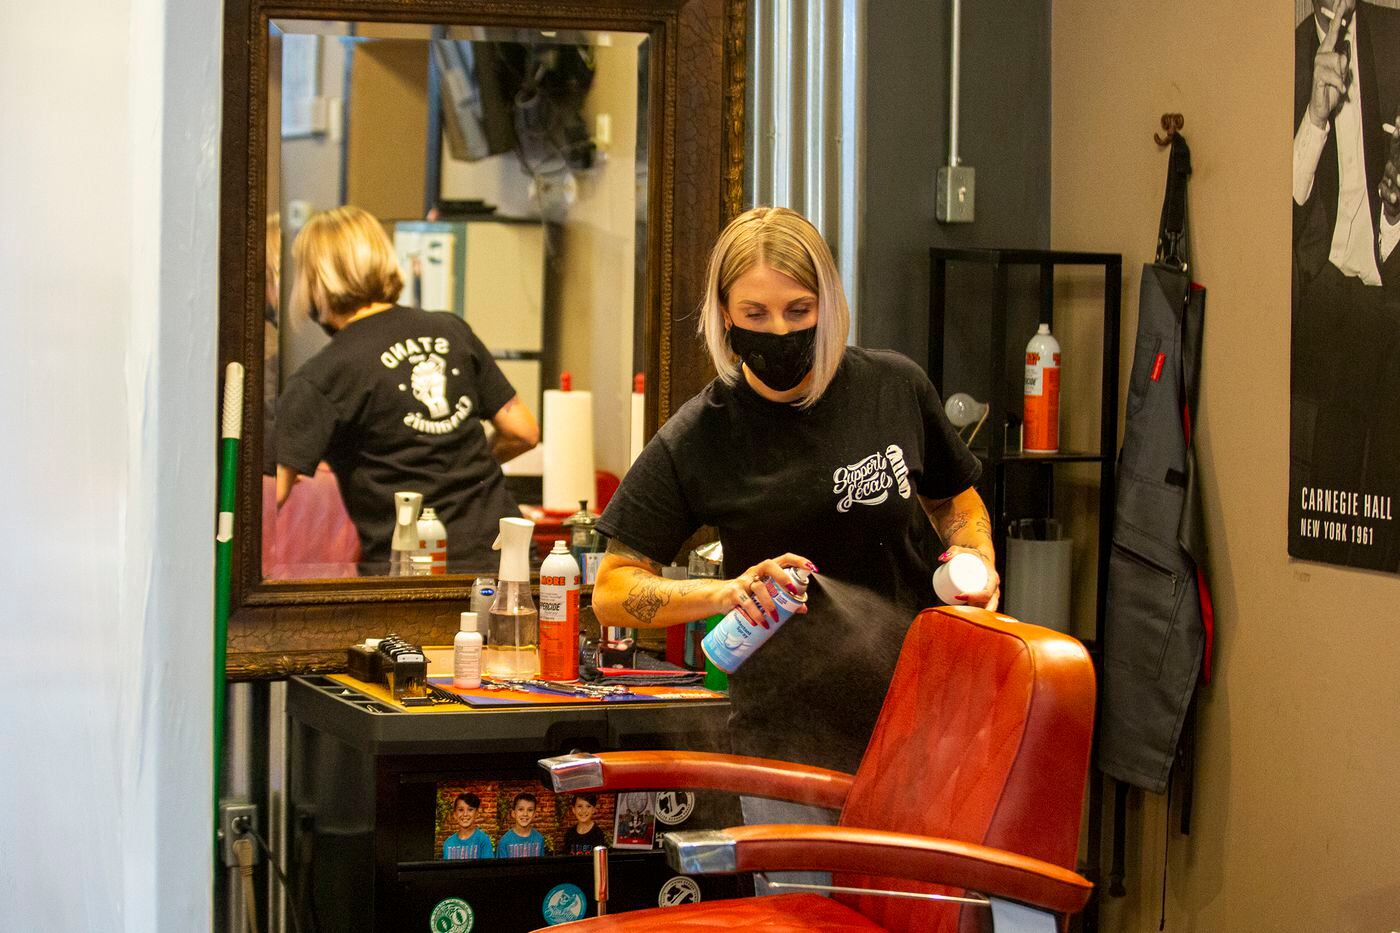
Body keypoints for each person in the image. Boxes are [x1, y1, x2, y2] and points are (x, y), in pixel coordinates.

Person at [591, 207, 999, 888]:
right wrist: (725, 592)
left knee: (922, 909)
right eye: (755, 312)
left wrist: (976, 556)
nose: (779, 330)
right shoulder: (703, 436)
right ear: (723, 315)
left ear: (829, 303)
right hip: (791, 741)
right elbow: (612, 588)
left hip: (922, 715)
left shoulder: (893, 388)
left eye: (798, 308)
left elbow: (954, 500)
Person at [275, 205, 539, 573]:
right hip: (502, 558)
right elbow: (523, 431)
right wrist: (459, 471)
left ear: (314, 280)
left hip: (410, 578)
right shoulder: (450, 330)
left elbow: (271, 495)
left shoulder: (321, 376)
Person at [1291, 0, 1400, 568]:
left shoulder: (1394, 32)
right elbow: (1281, 206)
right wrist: (1314, 117)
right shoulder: (1284, 59)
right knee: (1327, 511)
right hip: (1332, 298)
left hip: (1397, 286)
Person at [441, 792, 494, 860]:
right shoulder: (448, 843)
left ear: (476, 813)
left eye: (470, 810)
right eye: (460, 810)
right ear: (455, 815)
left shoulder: (483, 840)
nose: (465, 814)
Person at [495, 792, 547, 858]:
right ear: (513, 813)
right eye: (521, 809)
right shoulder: (505, 841)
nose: (525, 814)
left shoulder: (539, 839)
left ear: (534, 814)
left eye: (530, 810)